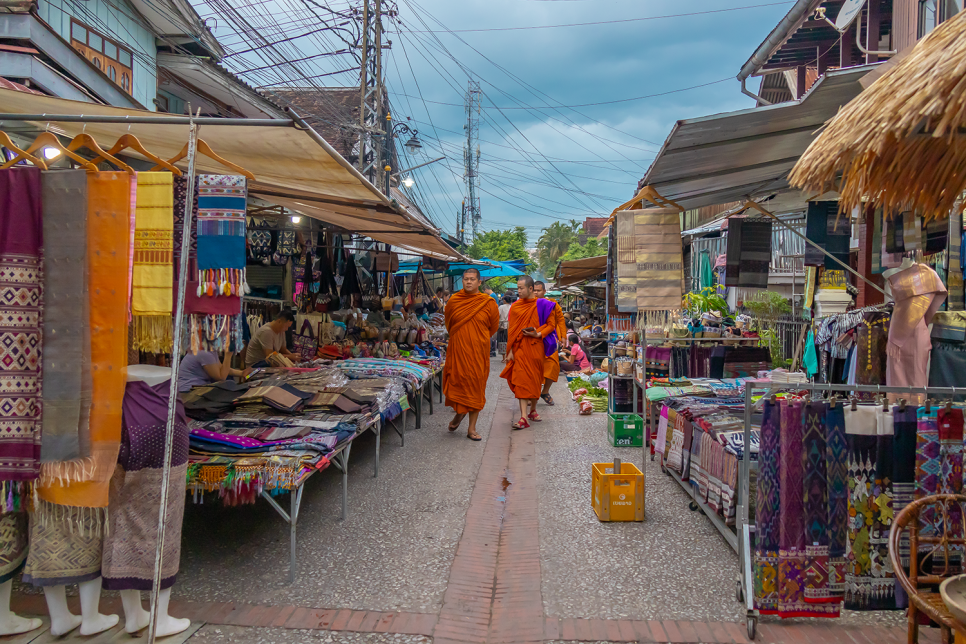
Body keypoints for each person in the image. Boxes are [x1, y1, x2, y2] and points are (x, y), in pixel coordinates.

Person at [443, 268, 500, 441]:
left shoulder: (488, 303)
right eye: (466, 279)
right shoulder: (454, 301)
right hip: (459, 349)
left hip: (478, 351)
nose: (468, 282)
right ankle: (459, 415)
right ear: (462, 281)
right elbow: (449, 324)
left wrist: (477, 338)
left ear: (479, 282)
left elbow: (494, 327)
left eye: (472, 279)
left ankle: (472, 428)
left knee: (476, 385)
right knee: (459, 382)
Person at [501, 276, 556, 429]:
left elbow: (551, 325)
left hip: (536, 346)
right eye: (517, 288)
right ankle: (523, 417)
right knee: (521, 380)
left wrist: (538, 334)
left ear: (530, 289)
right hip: (519, 348)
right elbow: (511, 330)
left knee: (535, 379)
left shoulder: (544, 305)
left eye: (521, 288)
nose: (518, 291)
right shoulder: (516, 306)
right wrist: (510, 350)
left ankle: (533, 410)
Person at [533, 281, 566, 406]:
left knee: (553, 366)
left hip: (549, 339)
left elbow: (560, 319)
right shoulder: (529, 304)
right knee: (533, 369)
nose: (536, 293)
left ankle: (545, 391)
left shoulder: (552, 304)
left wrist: (563, 336)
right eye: (534, 290)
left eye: (539, 290)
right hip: (533, 339)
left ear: (544, 291)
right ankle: (532, 394)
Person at [177, 350, 247, 392]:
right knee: (229, 387)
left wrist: (242, 373)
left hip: (198, 389)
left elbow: (221, 368)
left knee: (231, 385)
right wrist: (228, 355)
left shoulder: (211, 350)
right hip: (188, 392)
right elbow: (221, 378)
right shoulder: (204, 352)